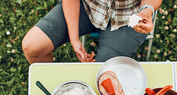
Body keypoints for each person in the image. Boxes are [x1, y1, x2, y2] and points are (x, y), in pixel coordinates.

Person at [22, 0, 163, 64]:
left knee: (101, 76)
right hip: (88, 7)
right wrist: (74, 38)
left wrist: (147, 10)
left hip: (129, 16)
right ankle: (53, 88)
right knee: (33, 46)